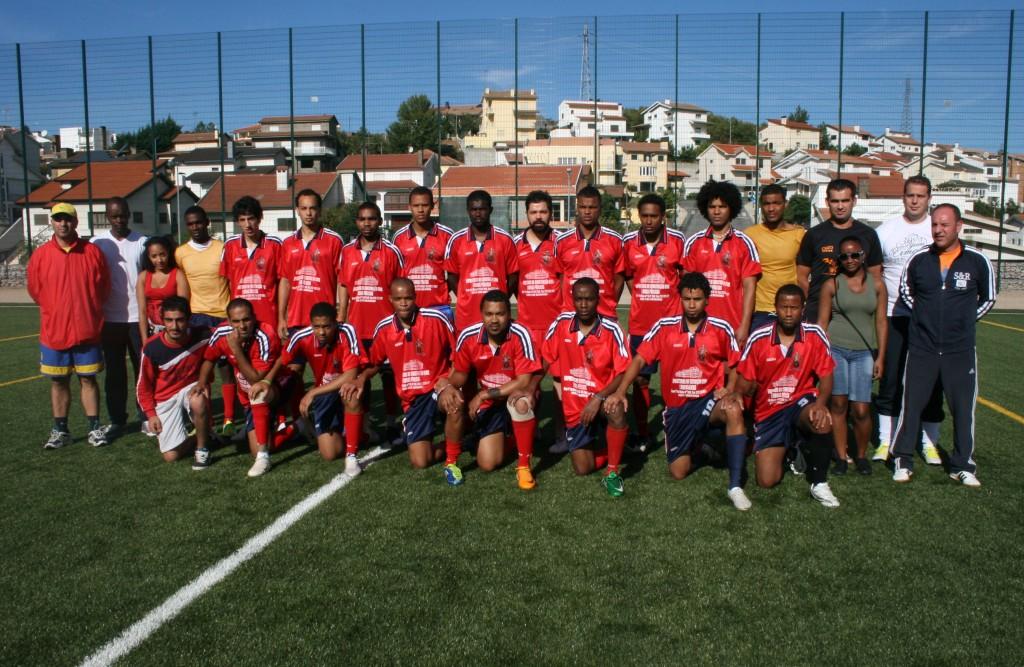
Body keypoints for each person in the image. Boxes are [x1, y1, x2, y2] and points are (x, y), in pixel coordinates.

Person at [606, 272, 750, 510]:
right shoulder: (665, 327)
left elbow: (736, 362)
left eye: (697, 299)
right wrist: (621, 391)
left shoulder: (720, 328)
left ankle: (735, 486)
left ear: (707, 300)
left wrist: (730, 389)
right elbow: (639, 360)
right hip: (677, 408)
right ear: (680, 299)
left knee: (733, 409)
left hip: (708, 400)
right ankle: (708, 448)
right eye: (687, 299)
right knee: (678, 471)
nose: (692, 305)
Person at [891, 204, 995, 487]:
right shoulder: (919, 259)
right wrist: (924, 318)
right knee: (911, 405)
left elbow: (989, 298)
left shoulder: (977, 261)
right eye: (935, 224)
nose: (938, 230)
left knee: (963, 409)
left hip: (960, 350)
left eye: (944, 225)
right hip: (922, 347)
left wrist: (964, 321)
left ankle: (962, 465)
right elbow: (906, 291)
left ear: (958, 226)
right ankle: (902, 460)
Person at [343, 278, 465, 484]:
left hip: (437, 388)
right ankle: (458, 441)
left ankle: (451, 461)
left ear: (415, 297)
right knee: (420, 461)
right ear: (390, 299)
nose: (404, 303)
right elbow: (374, 362)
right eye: (398, 299)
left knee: (454, 402)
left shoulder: (436, 319)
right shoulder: (384, 328)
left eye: (408, 298)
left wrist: (448, 381)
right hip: (412, 400)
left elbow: (459, 354)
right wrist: (361, 378)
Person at [735, 284, 841, 508]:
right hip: (769, 411)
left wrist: (821, 404)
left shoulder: (814, 335)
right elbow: (744, 382)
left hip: (800, 401)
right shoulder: (759, 338)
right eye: (784, 307)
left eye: (794, 307)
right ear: (775, 308)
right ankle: (794, 448)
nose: (789, 313)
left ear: (803, 309)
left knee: (820, 419)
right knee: (766, 481)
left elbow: (827, 376)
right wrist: (742, 391)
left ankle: (819, 483)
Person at [873, 175, 945, 464]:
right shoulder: (885, 231)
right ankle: (885, 441)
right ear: (903, 197)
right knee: (890, 380)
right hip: (894, 315)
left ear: (929, 198)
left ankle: (929, 442)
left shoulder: (937, 230)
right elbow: (875, 274)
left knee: (933, 382)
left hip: (930, 320)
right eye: (910, 195)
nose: (914, 201)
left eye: (920, 196)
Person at [29, 203, 110, 449]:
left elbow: (103, 287)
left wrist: (88, 311)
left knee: (88, 379)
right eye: (58, 219)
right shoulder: (41, 255)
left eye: (67, 219)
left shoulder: (92, 252)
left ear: (75, 222)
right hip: (55, 332)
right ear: (52, 222)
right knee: (58, 381)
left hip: (87, 330)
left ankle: (94, 428)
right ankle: (60, 430)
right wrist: (56, 310)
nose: (63, 224)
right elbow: (36, 290)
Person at [441, 290, 541, 490]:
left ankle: (523, 467)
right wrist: (447, 386)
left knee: (521, 403)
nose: (494, 320)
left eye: (500, 314)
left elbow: (524, 381)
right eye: (489, 314)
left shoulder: (521, 333)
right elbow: (460, 374)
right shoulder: (469, 336)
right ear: (482, 314)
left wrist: (484, 394)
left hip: (515, 394)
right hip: (491, 403)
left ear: (509, 314)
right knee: (487, 463)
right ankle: (451, 463)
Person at [542, 278, 631, 498]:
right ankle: (613, 449)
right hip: (576, 406)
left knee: (616, 409)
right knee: (582, 469)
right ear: (572, 299)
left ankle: (612, 472)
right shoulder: (562, 324)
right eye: (579, 299)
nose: (583, 304)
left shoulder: (612, 329)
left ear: (597, 300)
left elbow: (623, 371)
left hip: (603, 397)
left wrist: (599, 397)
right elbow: (545, 358)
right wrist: (529, 388)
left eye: (589, 299)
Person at [260, 302, 365, 476]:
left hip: (344, 388)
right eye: (317, 327)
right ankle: (349, 430)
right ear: (311, 324)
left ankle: (352, 456)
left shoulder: (347, 332)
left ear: (335, 323)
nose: (321, 332)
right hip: (325, 393)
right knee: (330, 454)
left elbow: (351, 375)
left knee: (351, 393)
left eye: (327, 326)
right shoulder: (301, 336)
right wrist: (266, 381)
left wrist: (313, 392)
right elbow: (283, 359)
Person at [817, 236, 887, 476]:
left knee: (861, 409)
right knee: (838, 404)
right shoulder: (832, 285)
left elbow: (881, 322)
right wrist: (820, 355)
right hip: (836, 348)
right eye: (844, 256)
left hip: (864, 352)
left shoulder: (877, 285)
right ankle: (841, 456)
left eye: (854, 255)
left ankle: (861, 455)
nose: (850, 260)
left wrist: (880, 357)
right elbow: (822, 323)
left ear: (863, 256)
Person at [195, 298, 290, 477]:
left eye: (246, 319)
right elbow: (209, 358)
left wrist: (236, 349)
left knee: (259, 393)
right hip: (247, 394)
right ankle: (295, 428)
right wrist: (201, 383)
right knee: (256, 446)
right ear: (229, 321)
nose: (242, 326)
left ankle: (263, 458)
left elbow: (256, 378)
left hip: (276, 387)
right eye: (236, 321)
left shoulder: (265, 334)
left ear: (254, 317)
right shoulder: (221, 332)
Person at [621, 193, 685, 453]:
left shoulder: (677, 241)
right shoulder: (629, 243)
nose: (648, 221)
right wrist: (642, 296)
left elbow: (685, 278)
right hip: (641, 325)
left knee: (675, 380)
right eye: (644, 215)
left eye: (654, 216)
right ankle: (643, 433)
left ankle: (677, 429)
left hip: (671, 325)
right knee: (640, 380)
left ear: (663, 217)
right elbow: (628, 276)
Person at [338, 201, 404, 442]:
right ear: (357, 222)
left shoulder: (391, 251)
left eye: (372, 219)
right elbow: (343, 286)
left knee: (389, 378)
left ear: (380, 221)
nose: (367, 223)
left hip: (384, 329)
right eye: (363, 219)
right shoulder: (347, 251)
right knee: (359, 379)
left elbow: (400, 287)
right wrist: (341, 316)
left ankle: (391, 422)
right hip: (357, 329)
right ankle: (363, 424)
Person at [513, 190, 567, 452]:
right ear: (527, 214)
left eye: (543, 211)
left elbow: (564, 280)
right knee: (528, 384)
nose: (538, 216)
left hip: (556, 327)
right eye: (533, 212)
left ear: (551, 214)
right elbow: (514, 282)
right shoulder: (516, 244)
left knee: (560, 383)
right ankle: (530, 432)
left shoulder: (560, 243)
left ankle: (561, 434)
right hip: (527, 328)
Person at [176, 205, 237, 435]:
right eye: (190, 224)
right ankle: (205, 419)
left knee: (226, 369)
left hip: (222, 315)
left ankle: (229, 418)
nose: (195, 227)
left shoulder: (222, 248)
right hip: (197, 318)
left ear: (207, 222)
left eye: (198, 222)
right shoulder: (181, 253)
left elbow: (231, 280)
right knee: (201, 372)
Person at [91, 196, 148, 436]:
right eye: (114, 216)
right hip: (110, 320)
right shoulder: (97, 243)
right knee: (114, 373)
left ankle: (145, 415)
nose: (119, 220)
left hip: (138, 319)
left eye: (123, 215)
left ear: (129, 214)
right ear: (107, 217)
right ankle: (117, 419)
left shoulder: (142, 242)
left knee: (142, 370)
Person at [135, 296, 213, 466]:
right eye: (169, 320)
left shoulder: (204, 334)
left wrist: (205, 381)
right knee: (171, 456)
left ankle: (202, 449)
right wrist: (151, 415)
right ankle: (203, 434)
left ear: (189, 319)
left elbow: (227, 331)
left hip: (191, 388)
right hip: (165, 397)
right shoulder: (152, 348)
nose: (174, 326)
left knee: (198, 400)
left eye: (180, 320)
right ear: (162, 320)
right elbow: (143, 386)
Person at [683, 180, 761, 347]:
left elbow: (750, 288)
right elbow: (686, 289)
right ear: (705, 209)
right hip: (700, 326)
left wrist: (744, 326)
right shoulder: (694, 243)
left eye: (722, 206)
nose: (717, 211)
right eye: (712, 207)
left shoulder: (745, 243)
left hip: (733, 325)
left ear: (731, 208)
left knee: (733, 365)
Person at [796, 178, 883, 323]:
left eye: (845, 201)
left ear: (854, 201)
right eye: (835, 201)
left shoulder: (868, 235)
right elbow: (802, 276)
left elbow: (875, 277)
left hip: (856, 312)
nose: (840, 206)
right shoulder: (814, 234)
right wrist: (812, 302)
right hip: (817, 311)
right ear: (827, 202)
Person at [444, 190, 519, 330]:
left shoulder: (505, 239)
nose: (478, 213)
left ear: (490, 210)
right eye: (474, 209)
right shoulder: (456, 240)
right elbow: (452, 276)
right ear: (468, 211)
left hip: (496, 315)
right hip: (466, 315)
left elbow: (513, 276)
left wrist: (500, 299)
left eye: (482, 209)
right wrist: (465, 297)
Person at [278, 188, 344, 339]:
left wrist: (341, 314)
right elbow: (285, 281)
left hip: (324, 320)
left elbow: (342, 280)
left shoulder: (334, 241)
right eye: (304, 208)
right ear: (297, 210)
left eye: (312, 208)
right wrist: (281, 318)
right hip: (296, 319)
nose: (308, 213)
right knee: (293, 356)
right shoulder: (288, 243)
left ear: (319, 210)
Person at [555, 185, 625, 318]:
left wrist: (609, 305)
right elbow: (560, 278)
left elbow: (619, 279)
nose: (587, 212)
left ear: (600, 209)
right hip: (571, 315)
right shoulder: (562, 241)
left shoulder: (615, 240)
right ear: (577, 208)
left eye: (592, 207)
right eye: (583, 207)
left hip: (605, 315)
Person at [746, 184, 805, 331]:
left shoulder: (799, 235)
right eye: (767, 204)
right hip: (760, 311)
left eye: (776, 203)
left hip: (790, 309)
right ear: (761, 206)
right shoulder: (749, 235)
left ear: (785, 204)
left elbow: (804, 274)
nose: (771, 208)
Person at [220, 196, 283, 329]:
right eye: (242, 220)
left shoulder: (275, 245)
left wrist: (283, 317)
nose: (247, 225)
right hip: (240, 318)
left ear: (260, 218)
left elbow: (283, 281)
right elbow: (227, 282)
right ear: (237, 222)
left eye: (251, 218)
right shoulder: (230, 245)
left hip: (268, 316)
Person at [392, 186, 454, 320]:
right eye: (416, 206)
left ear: (433, 206)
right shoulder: (399, 237)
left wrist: (440, 289)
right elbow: (396, 275)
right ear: (409, 207)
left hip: (439, 307)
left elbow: (453, 275)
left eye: (425, 205)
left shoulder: (447, 235)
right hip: (409, 308)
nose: (420, 210)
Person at [136, 236, 189, 342]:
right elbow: (142, 311)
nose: (159, 260)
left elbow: (183, 309)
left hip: (174, 331)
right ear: (148, 257)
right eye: (154, 256)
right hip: (152, 330)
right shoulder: (143, 276)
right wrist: (145, 339)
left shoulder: (178, 275)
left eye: (162, 254)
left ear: (168, 253)